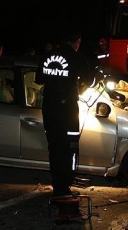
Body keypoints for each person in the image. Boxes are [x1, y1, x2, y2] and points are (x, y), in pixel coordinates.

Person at [34, 28, 95, 197]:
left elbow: (39, 79)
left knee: (54, 147)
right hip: (67, 110)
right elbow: (89, 81)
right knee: (70, 147)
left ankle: (57, 182)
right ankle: (65, 184)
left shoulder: (48, 55)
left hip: (49, 108)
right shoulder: (77, 57)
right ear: (77, 42)